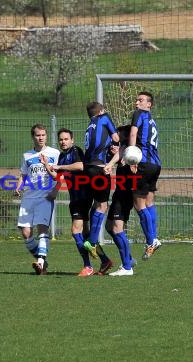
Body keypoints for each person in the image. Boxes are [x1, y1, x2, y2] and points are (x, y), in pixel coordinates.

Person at [41, 128, 113, 276]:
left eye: (66, 139)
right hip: (75, 197)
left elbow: (80, 166)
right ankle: (105, 260)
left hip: (83, 196)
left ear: (72, 140)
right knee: (85, 234)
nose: (63, 141)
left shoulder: (76, 151)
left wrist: (59, 167)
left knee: (75, 231)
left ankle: (87, 267)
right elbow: (57, 177)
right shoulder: (62, 156)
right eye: (61, 139)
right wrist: (47, 166)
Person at [14, 124, 60, 275]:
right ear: (33, 137)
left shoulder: (54, 153)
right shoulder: (27, 155)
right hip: (29, 197)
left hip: (45, 197)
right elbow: (23, 174)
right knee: (26, 232)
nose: (40, 138)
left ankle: (40, 262)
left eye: (43, 135)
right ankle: (42, 261)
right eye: (37, 135)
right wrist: (18, 187)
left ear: (46, 136)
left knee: (42, 229)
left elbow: (60, 174)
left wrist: (55, 190)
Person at [82, 102, 119, 271]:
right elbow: (117, 138)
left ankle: (92, 239)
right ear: (101, 111)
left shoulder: (89, 126)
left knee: (97, 204)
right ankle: (92, 241)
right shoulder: (104, 118)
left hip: (88, 168)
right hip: (99, 169)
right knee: (103, 205)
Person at [128, 91, 162, 260]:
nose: (136, 103)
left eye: (140, 100)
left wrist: (132, 159)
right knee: (149, 202)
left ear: (149, 104)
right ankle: (153, 237)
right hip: (156, 164)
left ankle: (151, 240)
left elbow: (133, 134)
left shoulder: (139, 114)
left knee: (138, 203)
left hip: (143, 163)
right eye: (136, 100)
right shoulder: (153, 121)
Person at [105, 125, 138, 276]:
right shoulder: (123, 151)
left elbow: (134, 170)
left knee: (118, 229)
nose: (115, 137)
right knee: (109, 227)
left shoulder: (133, 153)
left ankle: (126, 267)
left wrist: (132, 166)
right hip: (118, 193)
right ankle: (129, 259)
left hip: (126, 195)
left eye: (117, 134)